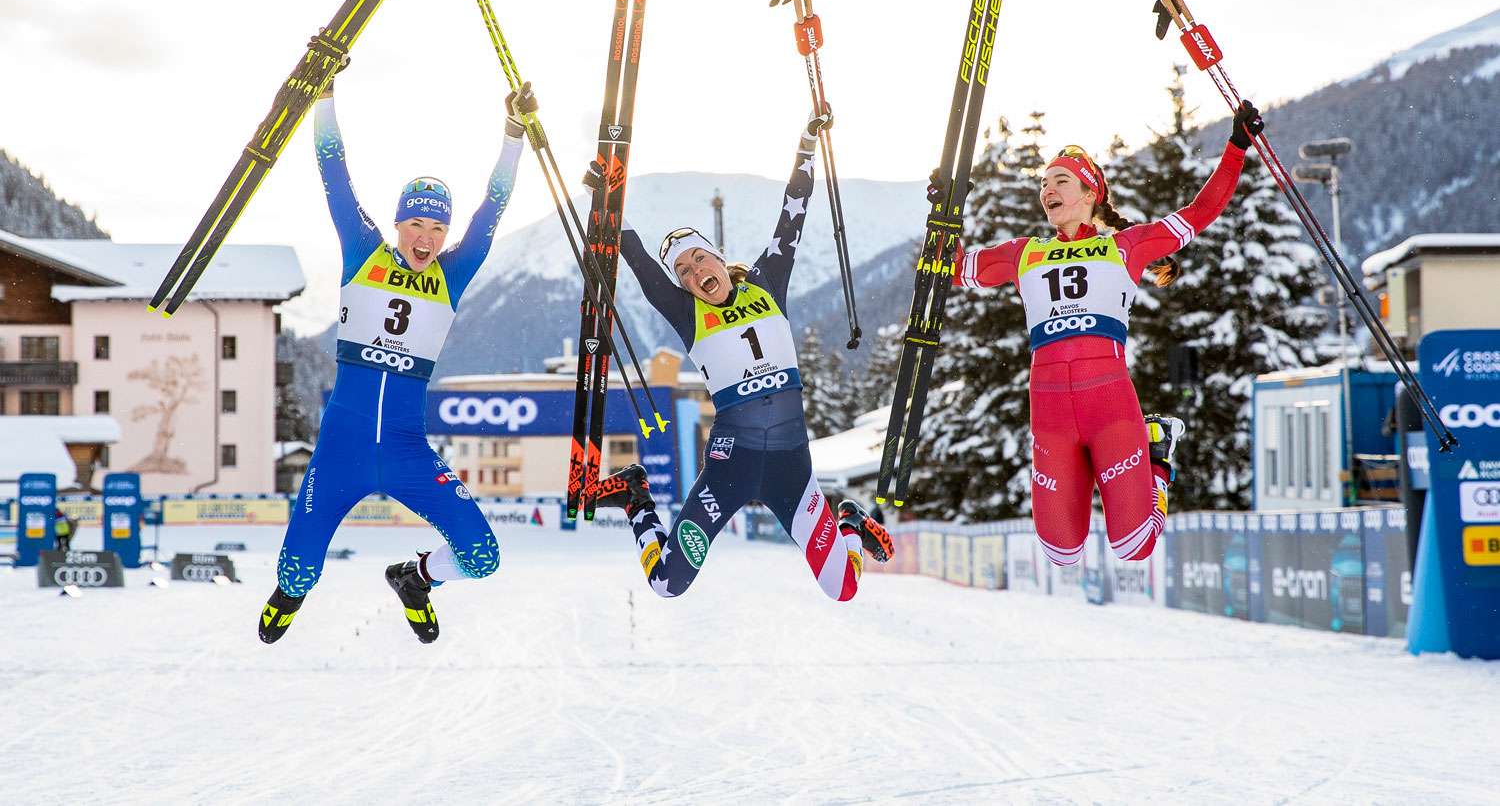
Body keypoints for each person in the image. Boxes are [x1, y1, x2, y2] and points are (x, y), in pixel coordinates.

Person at [258, 81, 533, 645]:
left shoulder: (452, 273)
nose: (427, 237)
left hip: (408, 450)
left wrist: (514, 134)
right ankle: (288, 596)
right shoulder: (363, 251)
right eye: (417, 224)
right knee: (297, 573)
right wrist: (323, 96)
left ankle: (415, 580)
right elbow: (336, 176)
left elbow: (493, 208)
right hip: (342, 446)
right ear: (399, 223)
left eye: (438, 227)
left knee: (482, 557)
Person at [593, 107, 894, 600]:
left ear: (716, 254)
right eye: (683, 271)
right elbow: (635, 254)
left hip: (791, 469)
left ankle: (850, 524)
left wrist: (805, 148)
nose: (694, 272)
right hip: (730, 466)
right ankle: (635, 497)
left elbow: (792, 214)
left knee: (844, 587)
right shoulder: (686, 311)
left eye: (698, 258)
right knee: (667, 584)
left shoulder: (766, 282)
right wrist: (605, 199)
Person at [951, 100, 1264, 567]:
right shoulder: (1023, 253)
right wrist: (943, 215)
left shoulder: (1125, 246)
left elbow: (1200, 212)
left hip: (1110, 406)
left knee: (1133, 547)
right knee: (1061, 552)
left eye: (1060, 181)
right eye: (1043, 183)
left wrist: (1237, 146)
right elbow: (951, 271)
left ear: (1089, 193)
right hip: (1051, 411)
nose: (1047, 191)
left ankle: (1156, 458)